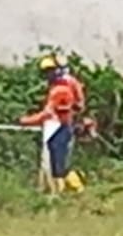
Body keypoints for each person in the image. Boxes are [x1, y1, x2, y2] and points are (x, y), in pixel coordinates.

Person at [19, 53, 91, 194]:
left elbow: (48, 113)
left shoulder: (60, 89)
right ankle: (60, 189)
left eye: (50, 71)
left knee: (58, 163)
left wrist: (25, 121)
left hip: (59, 126)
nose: (48, 75)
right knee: (57, 162)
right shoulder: (62, 85)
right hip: (62, 124)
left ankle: (70, 189)